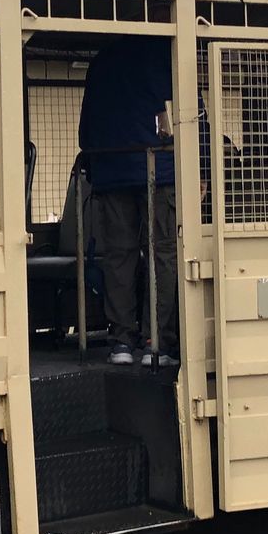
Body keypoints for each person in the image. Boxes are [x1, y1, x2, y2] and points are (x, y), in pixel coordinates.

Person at [78, 36, 178, 366]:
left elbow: (85, 127)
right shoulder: (166, 50)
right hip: (160, 168)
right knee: (161, 253)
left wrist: (95, 165)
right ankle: (157, 342)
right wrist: (201, 165)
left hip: (111, 168)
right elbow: (188, 114)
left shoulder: (102, 59)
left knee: (118, 256)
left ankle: (121, 340)